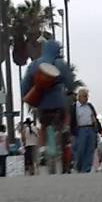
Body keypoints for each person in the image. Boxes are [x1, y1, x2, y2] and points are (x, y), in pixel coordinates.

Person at [21, 40, 76, 175]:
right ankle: (64, 141)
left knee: (44, 126)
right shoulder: (60, 64)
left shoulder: (34, 64)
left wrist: (26, 95)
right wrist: (70, 89)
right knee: (64, 123)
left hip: (42, 104)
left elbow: (25, 84)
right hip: (58, 102)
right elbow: (69, 81)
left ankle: (43, 149)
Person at [69, 88, 101, 173]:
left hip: (90, 128)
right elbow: (71, 121)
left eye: (87, 96)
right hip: (80, 129)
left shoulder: (89, 106)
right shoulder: (74, 107)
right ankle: (79, 166)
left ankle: (86, 168)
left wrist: (99, 129)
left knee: (90, 149)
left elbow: (94, 117)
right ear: (79, 97)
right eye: (84, 96)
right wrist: (72, 133)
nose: (86, 98)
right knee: (80, 150)